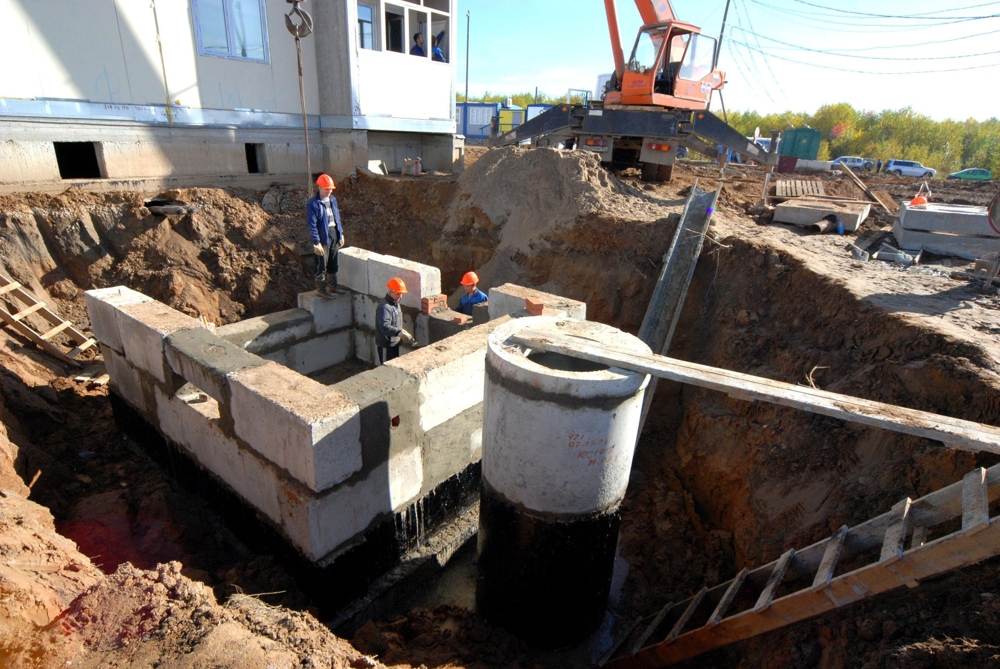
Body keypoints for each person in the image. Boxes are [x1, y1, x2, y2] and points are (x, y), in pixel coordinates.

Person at [306, 174, 344, 298]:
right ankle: (321, 289)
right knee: (321, 264)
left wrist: (340, 233)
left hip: (333, 233)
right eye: (327, 189)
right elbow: (312, 224)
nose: (329, 191)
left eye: (331, 189)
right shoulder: (313, 203)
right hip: (323, 236)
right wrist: (316, 242)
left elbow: (336, 217)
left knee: (333, 262)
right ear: (320, 187)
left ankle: (333, 285)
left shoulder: (332, 200)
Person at [376, 277, 414, 364]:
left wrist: (401, 331)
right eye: (398, 294)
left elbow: (395, 322)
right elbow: (384, 326)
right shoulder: (384, 307)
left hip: (394, 343)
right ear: (391, 291)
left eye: (402, 294)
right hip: (386, 345)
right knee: (386, 370)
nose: (401, 297)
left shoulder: (396, 304)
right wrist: (398, 332)